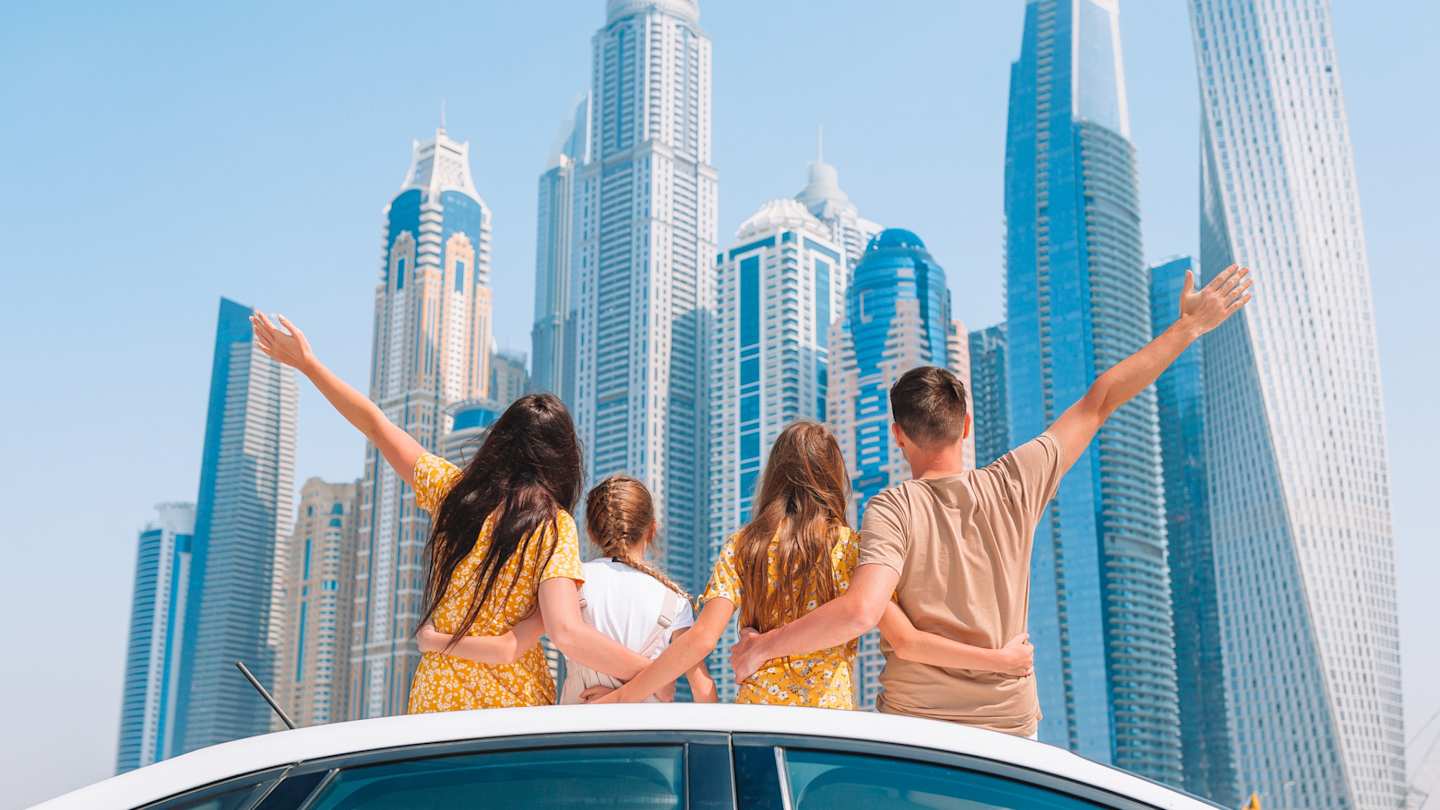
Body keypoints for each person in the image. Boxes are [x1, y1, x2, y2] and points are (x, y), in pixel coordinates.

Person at [731, 264, 1254, 735]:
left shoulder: (891, 509)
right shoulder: (1015, 482)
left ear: (897, 435)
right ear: (966, 425)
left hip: (918, 727)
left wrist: (763, 647)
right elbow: (1101, 399)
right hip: (1008, 727)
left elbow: (862, 611)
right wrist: (1188, 327)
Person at [250, 313, 667, 712]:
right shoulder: (553, 526)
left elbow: (377, 425)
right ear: (563, 459)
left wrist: (309, 365)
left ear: (499, 442)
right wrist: (651, 672)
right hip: (512, 706)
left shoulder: (453, 493)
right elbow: (566, 632)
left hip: (437, 700)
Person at [592, 421, 1033, 708]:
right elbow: (905, 639)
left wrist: (622, 698)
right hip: (827, 728)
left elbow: (701, 639)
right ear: (832, 477)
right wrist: (998, 659)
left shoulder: (744, 545)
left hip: (757, 720)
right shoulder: (852, 550)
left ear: (774, 474)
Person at [415, 475, 717, 703]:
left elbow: (508, 646)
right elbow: (703, 690)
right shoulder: (675, 600)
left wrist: (433, 641)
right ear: (652, 530)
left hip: (578, 736)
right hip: (653, 745)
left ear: (590, 532)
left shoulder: (567, 583)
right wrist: (657, 683)